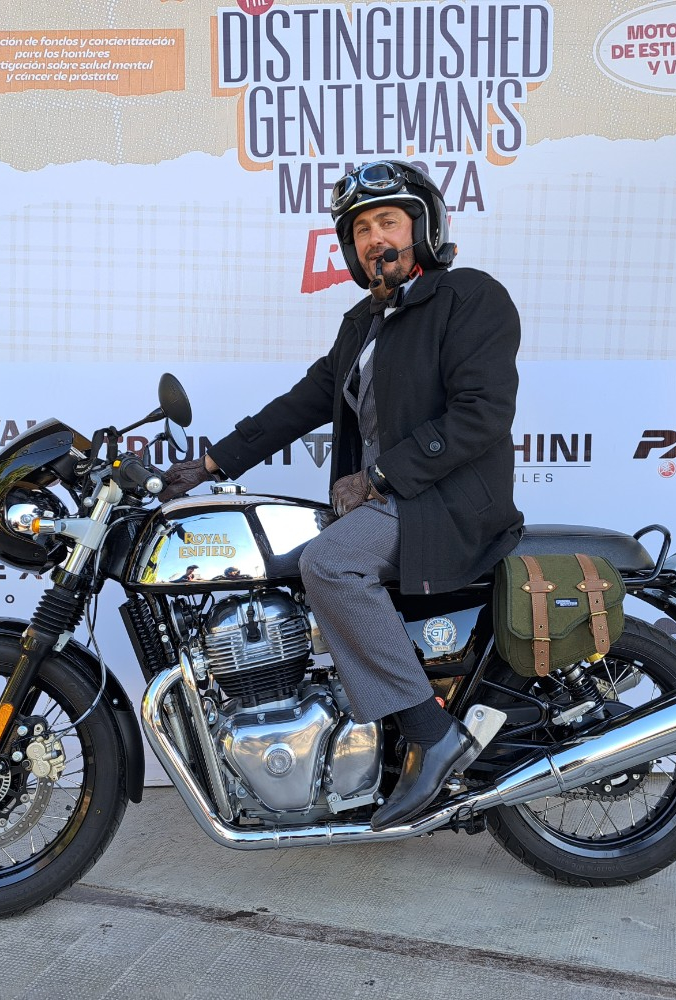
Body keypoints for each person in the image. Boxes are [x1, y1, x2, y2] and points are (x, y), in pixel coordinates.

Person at [161, 160, 522, 830]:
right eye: (361, 230)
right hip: (395, 504)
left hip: (443, 504)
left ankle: (431, 735)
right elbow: (303, 402)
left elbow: (481, 414)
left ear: (423, 227)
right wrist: (209, 463)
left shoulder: (470, 297)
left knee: (328, 563)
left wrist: (381, 477)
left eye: (388, 221)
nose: (375, 238)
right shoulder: (364, 322)